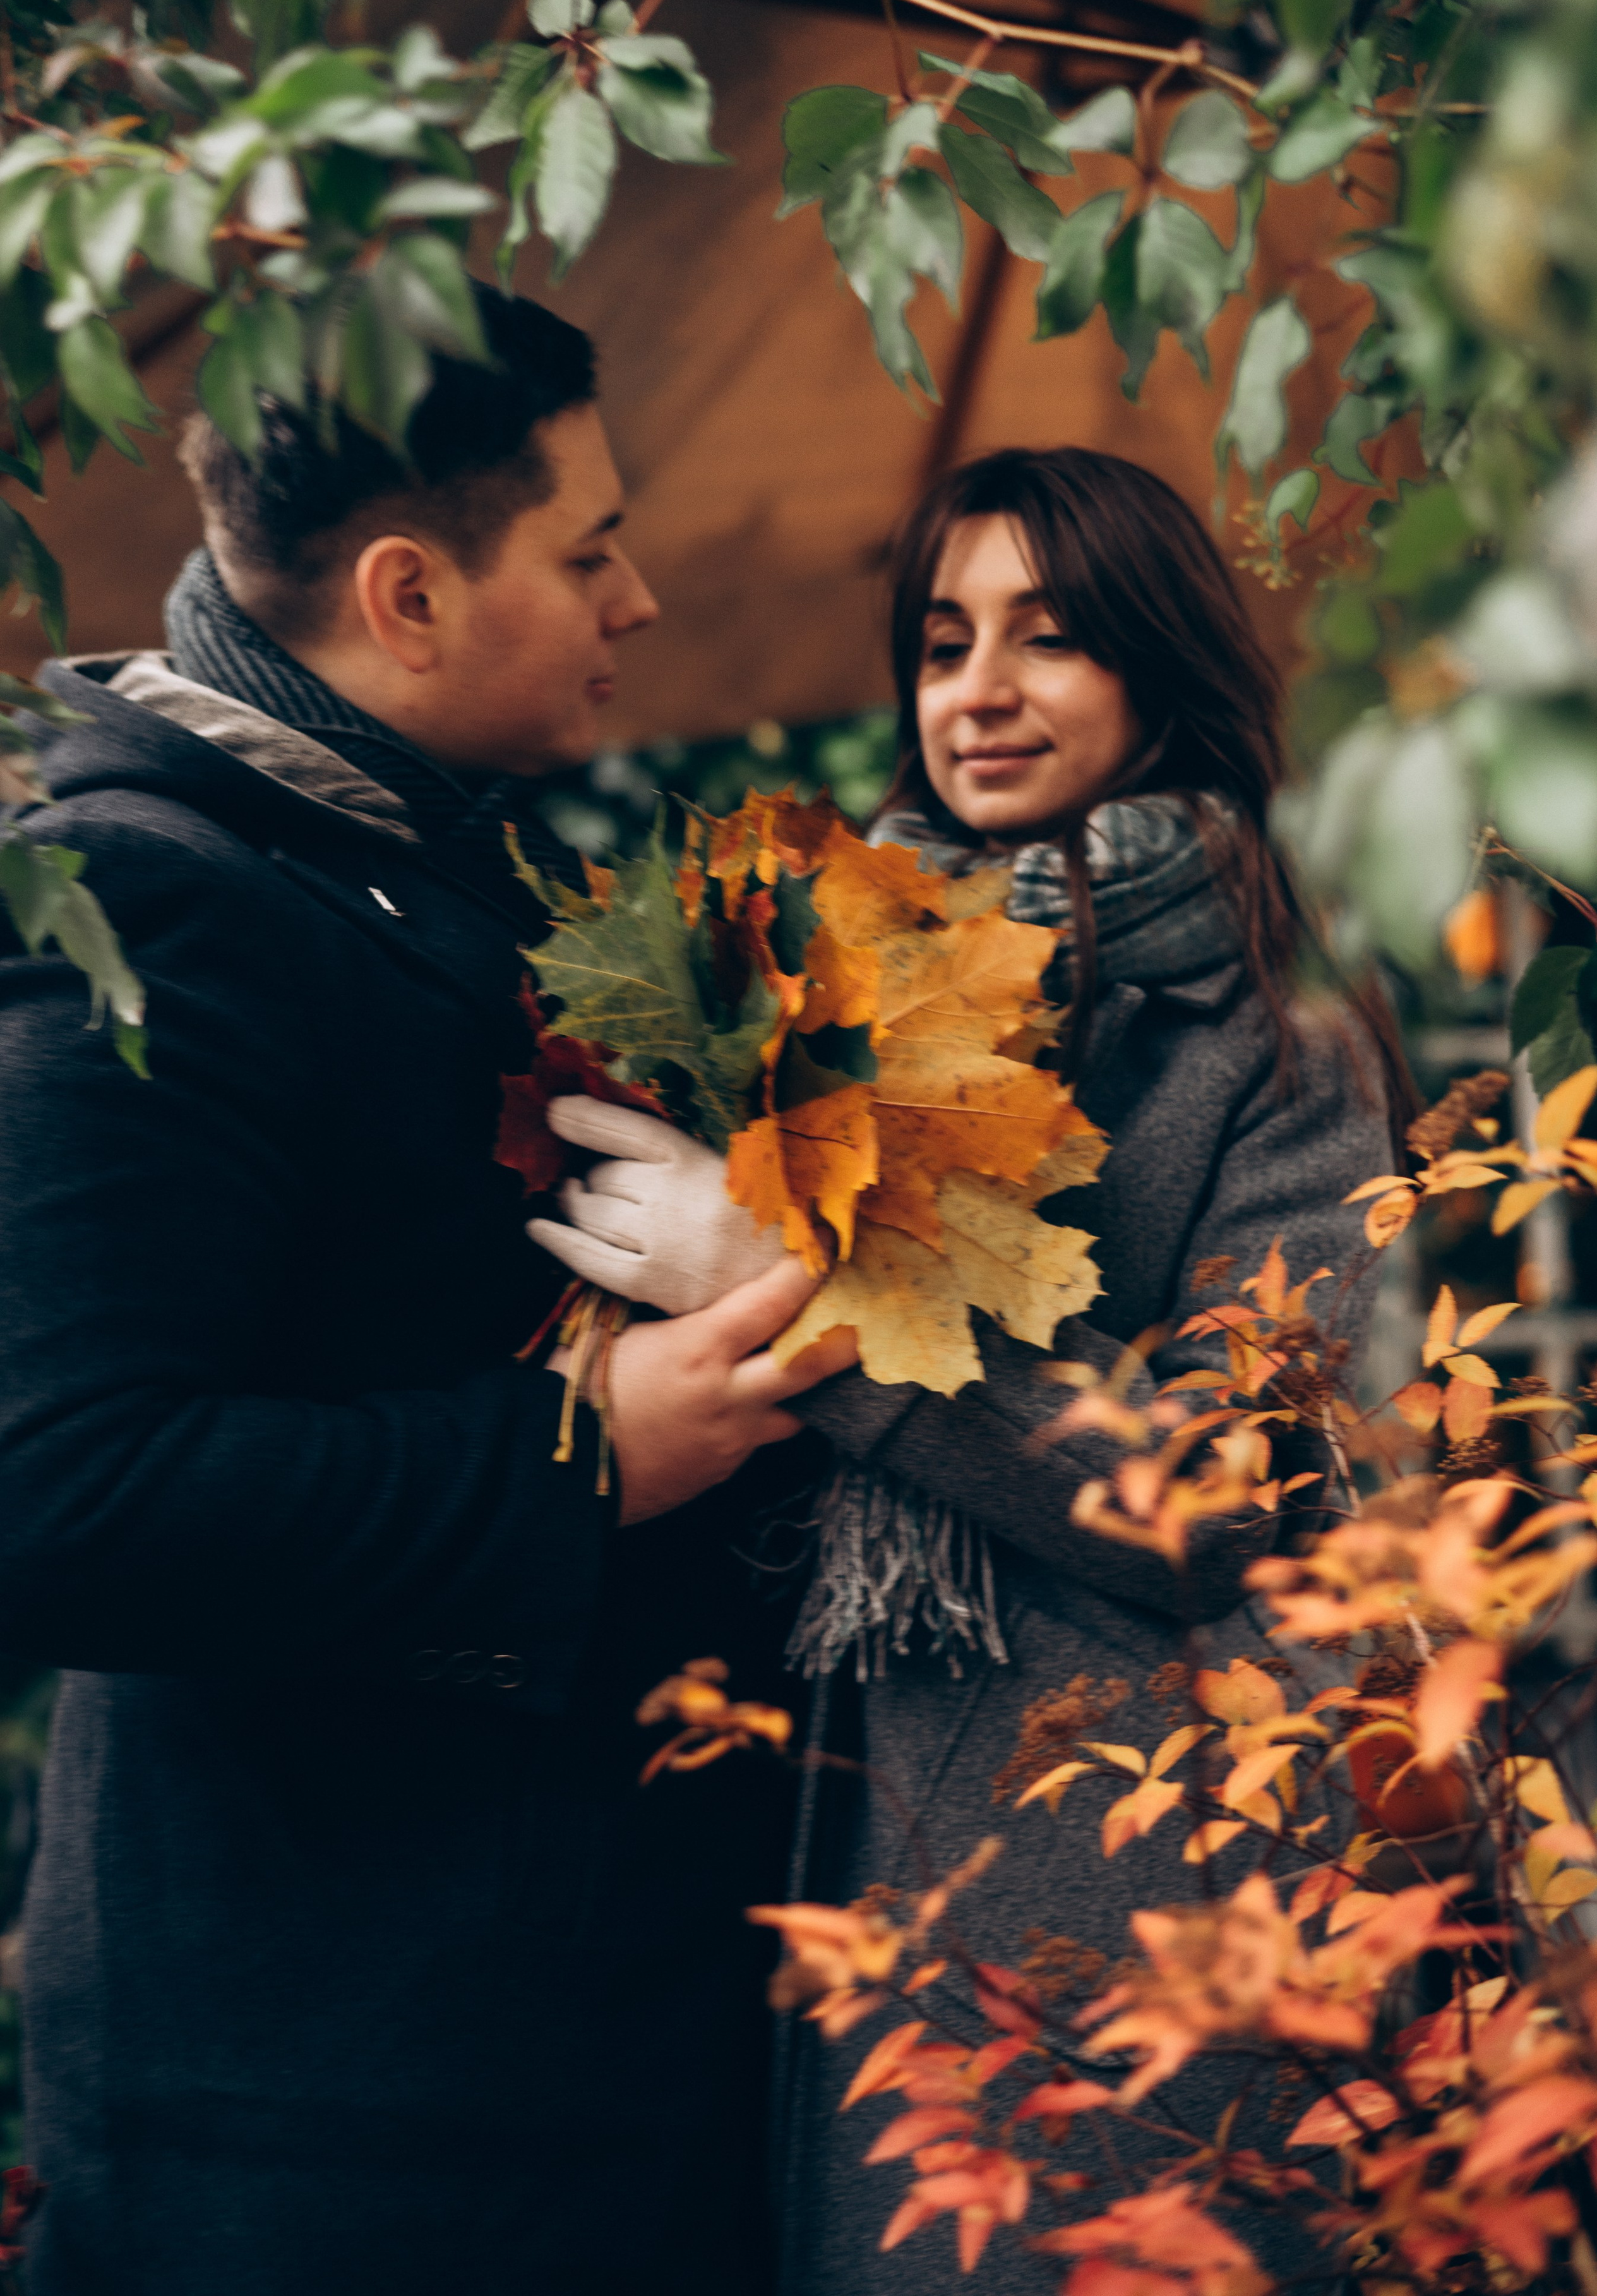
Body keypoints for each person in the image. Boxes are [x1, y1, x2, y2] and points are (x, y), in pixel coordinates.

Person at [0, 283, 852, 2296]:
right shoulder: (135, 908)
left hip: (533, 2064)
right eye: (588, 550)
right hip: (336, 2128)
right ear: (408, 595)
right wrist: (577, 1460)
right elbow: (52, 1497)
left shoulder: (398, 857)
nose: (636, 598)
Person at [538, 445, 1409, 2292]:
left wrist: (809, 1294)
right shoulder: (819, 984)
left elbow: (1237, 1492)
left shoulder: (1283, 1014)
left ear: (1160, 667)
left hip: (1112, 1871)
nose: (980, 691)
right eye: (943, 641)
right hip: (806, 1838)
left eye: (1053, 636)